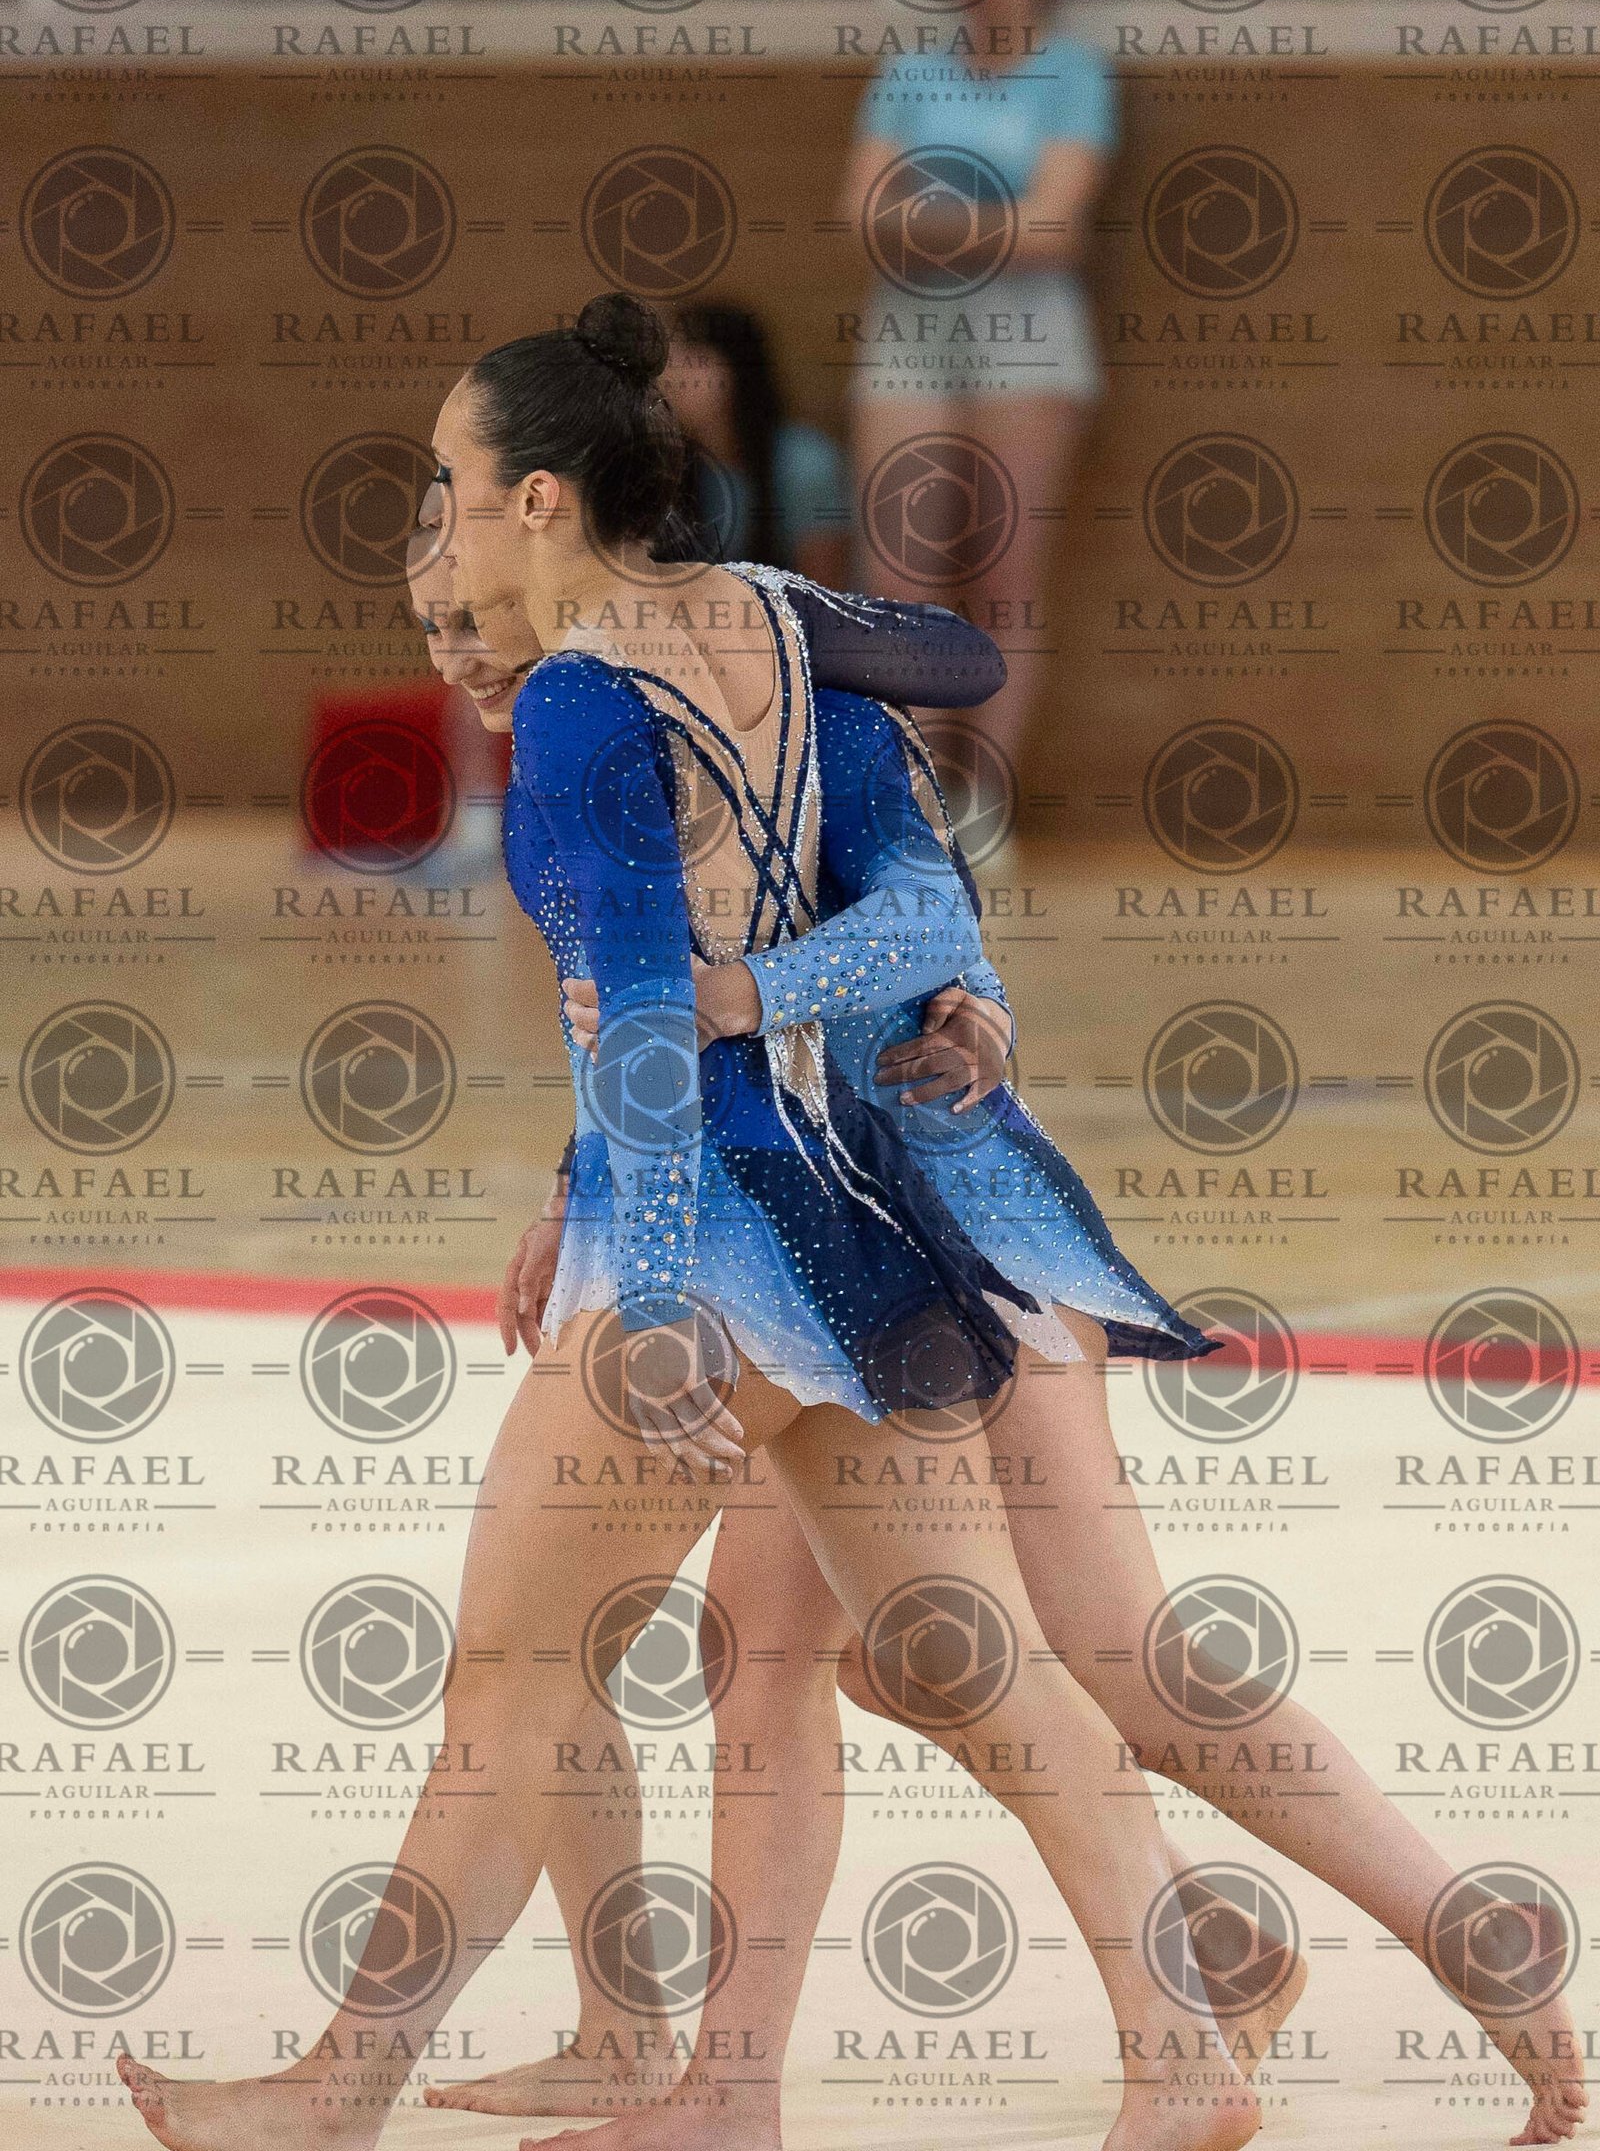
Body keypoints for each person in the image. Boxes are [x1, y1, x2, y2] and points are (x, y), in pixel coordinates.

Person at [117, 292, 1257, 2151]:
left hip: (712, 1246)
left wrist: (645, 1294)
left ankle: (336, 2094)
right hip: (855, 1233)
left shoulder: (582, 699)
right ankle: (1183, 2054)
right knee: (992, 1677)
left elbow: (649, 1015)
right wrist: (753, 988)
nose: (439, 523)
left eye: (451, 481)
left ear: (541, 499)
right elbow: (939, 789)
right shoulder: (781, 635)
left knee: (513, 1674)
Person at [420, 563, 1586, 2147]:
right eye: (433, 623)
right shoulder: (649, 735)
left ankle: (753, 2088)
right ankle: (1296, 1942)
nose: (461, 647)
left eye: (476, 607)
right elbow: (659, 1010)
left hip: (912, 1236)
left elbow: (906, 924)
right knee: (1014, 1657)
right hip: (900, 1224)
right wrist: (590, 1182)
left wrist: (772, 1000)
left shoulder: (798, 717)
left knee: (891, 1660)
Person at [841, 0, 1118, 811]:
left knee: (1007, 575)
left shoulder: (1073, 74)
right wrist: (1001, 223)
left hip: (1030, 337)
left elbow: (1057, 229)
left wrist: (927, 221)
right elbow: (861, 216)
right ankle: (909, 804)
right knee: (901, 574)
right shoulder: (910, 74)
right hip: (911, 330)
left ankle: (985, 805)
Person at [661, 299, 852, 591]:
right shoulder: (670, 469)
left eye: (692, 361)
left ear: (737, 368)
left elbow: (823, 596)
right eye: (669, 363)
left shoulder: (805, 462)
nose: (672, 378)